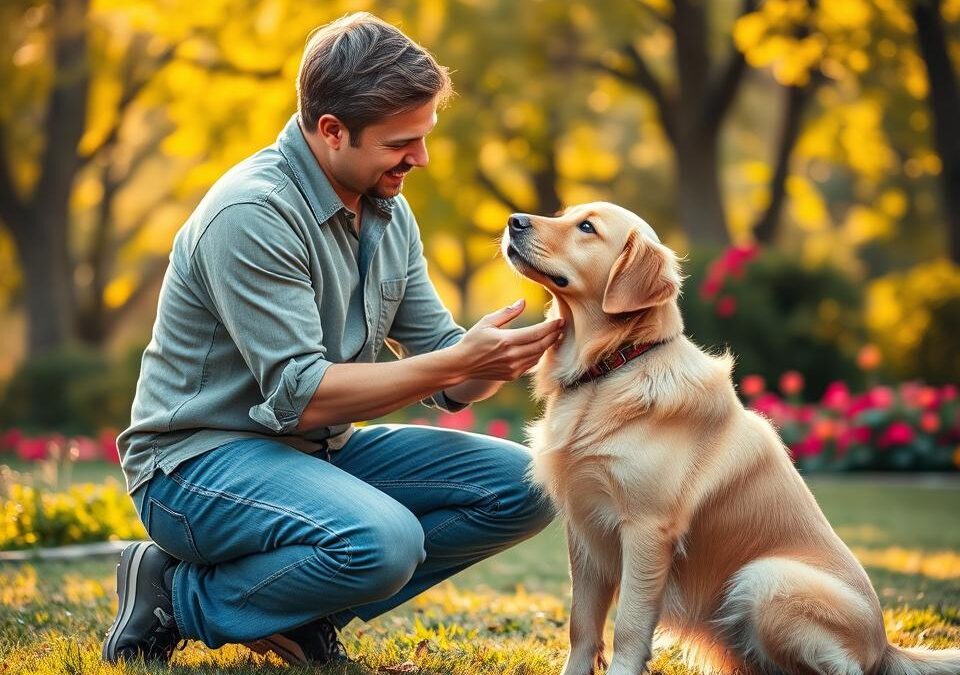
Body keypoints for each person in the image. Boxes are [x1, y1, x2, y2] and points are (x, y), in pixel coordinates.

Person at [101, 11, 565, 667]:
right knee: (385, 542)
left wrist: (498, 355)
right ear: (331, 130)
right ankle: (175, 596)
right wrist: (455, 362)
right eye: (401, 142)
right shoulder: (252, 213)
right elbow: (303, 396)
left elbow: (448, 368)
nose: (421, 158)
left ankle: (295, 617)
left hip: (316, 455)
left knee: (530, 483)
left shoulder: (387, 209)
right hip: (195, 466)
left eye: (424, 136)